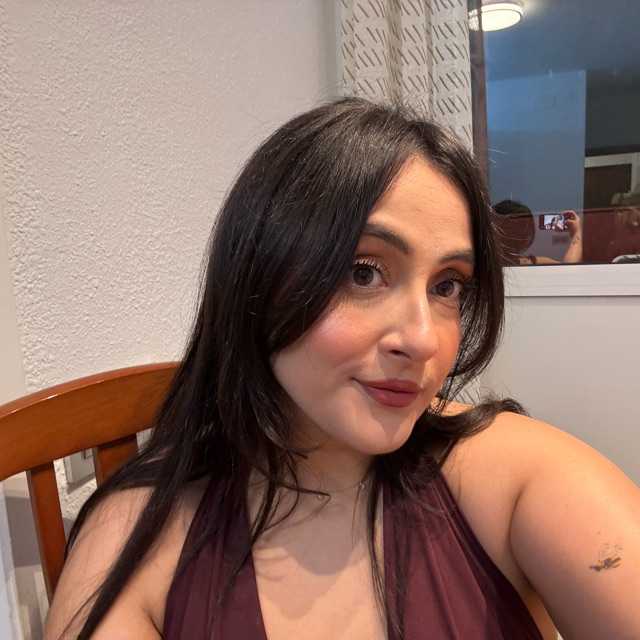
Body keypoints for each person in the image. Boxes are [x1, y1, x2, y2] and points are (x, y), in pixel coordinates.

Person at [45, 98, 639, 640]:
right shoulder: (136, 544)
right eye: (363, 272)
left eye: (447, 285)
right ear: (257, 276)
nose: (423, 340)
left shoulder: (517, 474)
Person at [492, 199, 583, 265]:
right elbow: (568, 271)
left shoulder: (531, 262)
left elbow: (566, 269)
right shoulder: (531, 264)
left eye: (526, 227)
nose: (523, 233)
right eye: (515, 227)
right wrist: (576, 233)